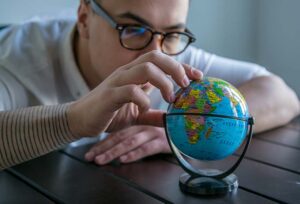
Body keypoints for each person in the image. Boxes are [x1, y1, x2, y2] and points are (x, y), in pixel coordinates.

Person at [0, 0, 299, 169]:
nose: (154, 54)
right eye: (133, 29)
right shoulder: (13, 59)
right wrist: (74, 120)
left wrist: (174, 135)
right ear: (84, 18)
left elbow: (282, 95)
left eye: (171, 34)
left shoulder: (175, 53)